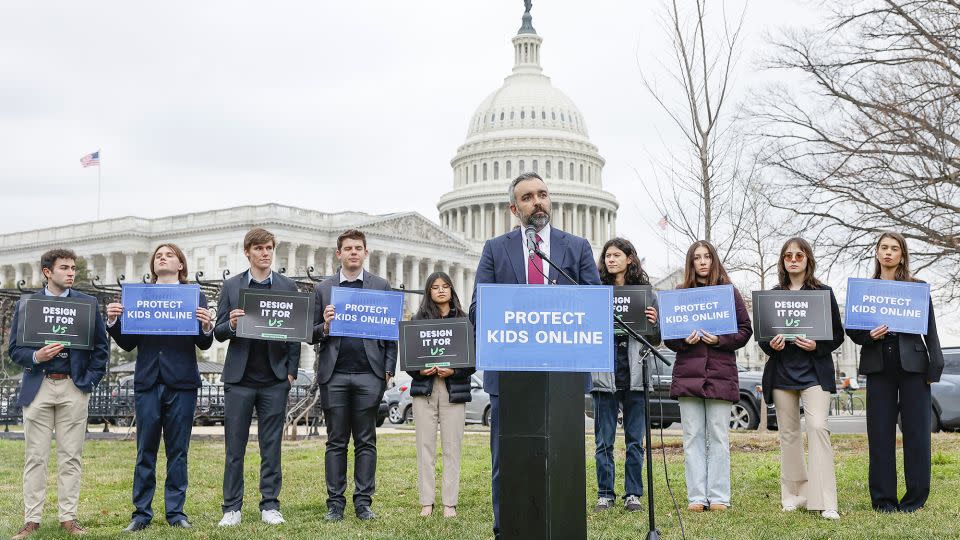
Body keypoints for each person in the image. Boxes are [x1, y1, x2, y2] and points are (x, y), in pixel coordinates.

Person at [468, 172, 601, 539]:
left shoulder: (576, 247)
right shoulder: (496, 249)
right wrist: (521, 311)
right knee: (507, 460)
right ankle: (505, 529)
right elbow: (479, 307)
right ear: (514, 208)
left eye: (542, 194)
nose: (537, 201)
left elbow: (593, 302)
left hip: (564, 375)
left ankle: (565, 527)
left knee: (564, 455)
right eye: (527, 197)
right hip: (511, 373)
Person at [105, 243, 215, 532]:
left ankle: (176, 513)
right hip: (148, 382)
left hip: (182, 383)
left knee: (178, 451)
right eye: (158, 256)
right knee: (145, 451)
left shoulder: (195, 296)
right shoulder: (140, 297)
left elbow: (204, 343)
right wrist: (114, 321)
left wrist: (206, 327)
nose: (162, 258)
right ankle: (141, 513)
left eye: (169, 255)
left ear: (181, 265)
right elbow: (128, 343)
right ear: (153, 266)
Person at [8, 249, 109, 539]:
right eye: (64, 267)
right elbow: (15, 349)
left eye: (73, 268)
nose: (71, 272)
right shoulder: (28, 305)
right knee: (35, 457)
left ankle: (69, 518)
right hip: (38, 386)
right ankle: (32, 520)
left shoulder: (87, 303)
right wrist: (37, 355)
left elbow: (101, 349)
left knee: (71, 456)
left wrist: (87, 382)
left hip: (73, 387)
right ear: (47, 272)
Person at [846, 232, 943, 513]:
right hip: (878, 367)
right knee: (879, 434)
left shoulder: (917, 287)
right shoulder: (865, 288)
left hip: (914, 367)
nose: (888, 253)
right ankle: (884, 499)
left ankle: (914, 499)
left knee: (917, 433)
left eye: (894, 248)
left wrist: (934, 367)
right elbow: (852, 329)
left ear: (902, 254)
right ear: (877, 253)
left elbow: (931, 330)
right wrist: (869, 335)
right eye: (884, 248)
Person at [214, 228, 301, 527]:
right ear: (247, 252)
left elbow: (295, 334)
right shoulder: (231, 285)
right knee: (234, 447)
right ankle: (231, 508)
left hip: (275, 379)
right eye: (259, 248)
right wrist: (232, 323)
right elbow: (218, 330)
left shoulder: (288, 286)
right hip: (239, 379)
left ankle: (270, 505)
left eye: (269, 248)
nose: (265, 253)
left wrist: (291, 373)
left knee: (271, 446)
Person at [311, 229, 397, 522]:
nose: (353, 252)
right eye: (347, 248)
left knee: (365, 440)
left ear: (365, 252)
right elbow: (309, 334)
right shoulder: (323, 289)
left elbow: (391, 336)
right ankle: (335, 504)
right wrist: (324, 325)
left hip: (368, 374)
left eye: (358, 248)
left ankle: (363, 502)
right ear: (339, 254)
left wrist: (387, 371)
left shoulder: (381, 286)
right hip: (334, 374)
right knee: (335, 441)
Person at [757, 237, 844, 520]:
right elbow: (764, 339)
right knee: (789, 435)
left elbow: (837, 336)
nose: (793, 259)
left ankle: (825, 499)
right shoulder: (772, 295)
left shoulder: (823, 293)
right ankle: (794, 495)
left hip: (814, 374)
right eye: (788, 256)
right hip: (782, 374)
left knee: (818, 427)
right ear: (783, 261)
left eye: (799, 255)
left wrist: (817, 345)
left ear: (808, 259)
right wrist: (773, 345)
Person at [663, 240, 752, 513]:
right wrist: (684, 341)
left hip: (720, 374)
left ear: (714, 261)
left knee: (718, 436)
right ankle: (696, 497)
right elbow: (670, 337)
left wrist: (720, 340)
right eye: (697, 258)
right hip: (688, 375)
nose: (702, 262)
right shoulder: (680, 294)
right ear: (690, 264)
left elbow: (745, 330)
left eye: (707, 257)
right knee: (692, 437)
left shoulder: (729, 293)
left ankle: (719, 497)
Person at [591, 237, 660, 513]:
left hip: (635, 374)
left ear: (629, 258)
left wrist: (654, 324)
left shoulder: (645, 294)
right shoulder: (597, 292)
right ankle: (605, 494)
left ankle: (633, 494)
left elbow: (655, 340)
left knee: (635, 441)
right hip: (605, 374)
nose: (610, 259)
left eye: (616, 255)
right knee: (603, 441)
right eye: (607, 255)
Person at [405, 271, 475, 519]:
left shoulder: (464, 321)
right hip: (425, 390)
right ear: (429, 292)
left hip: (453, 391)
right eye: (435, 287)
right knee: (425, 447)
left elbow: (472, 361)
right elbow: (409, 359)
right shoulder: (418, 319)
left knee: (452, 447)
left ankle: (449, 503)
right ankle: (426, 502)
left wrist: (454, 370)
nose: (441, 290)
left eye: (445, 286)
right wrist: (420, 370)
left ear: (452, 290)